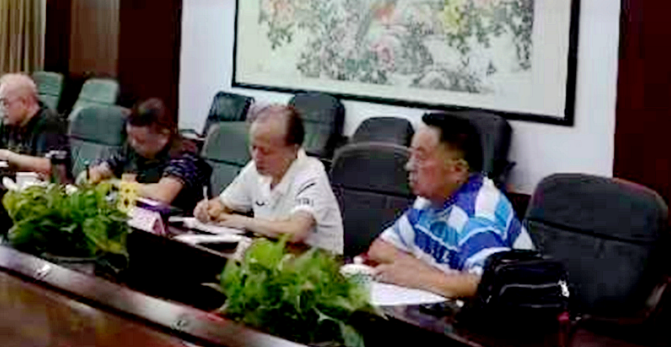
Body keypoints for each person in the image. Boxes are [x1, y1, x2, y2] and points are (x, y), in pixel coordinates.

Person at [367, 112, 532, 299]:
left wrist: (415, 277)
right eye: (411, 155)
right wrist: (428, 274)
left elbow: (485, 284)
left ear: (458, 169)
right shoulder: (429, 200)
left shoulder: (478, 215)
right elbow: (380, 248)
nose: (409, 166)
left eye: (420, 157)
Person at [194, 105, 343, 254]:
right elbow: (224, 203)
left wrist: (241, 221)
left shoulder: (312, 174)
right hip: (271, 255)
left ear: (293, 150)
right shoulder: (255, 168)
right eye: (253, 147)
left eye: (266, 151)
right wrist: (209, 209)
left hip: (312, 263)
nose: (257, 157)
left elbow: (296, 231)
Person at [87, 99, 209, 212]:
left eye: (140, 141)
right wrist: (93, 175)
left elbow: (162, 195)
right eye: (130, 137)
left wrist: (114, 183)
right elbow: (103, 170)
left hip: (175, 224)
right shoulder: (132, 149)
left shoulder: (184, 156)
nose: (133, 144)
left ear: (164, 135)